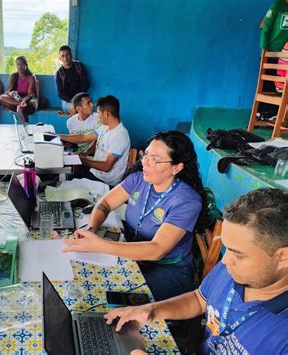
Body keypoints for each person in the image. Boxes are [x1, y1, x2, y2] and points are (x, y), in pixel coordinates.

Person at [104, 188, 288, 354]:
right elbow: (199, 299)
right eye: (226, 248)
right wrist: (152, 310)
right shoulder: (234, 270)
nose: (224, 260)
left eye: (238, 254)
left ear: (283, 257)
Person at [63, 131, 205, 301]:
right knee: (87, 278)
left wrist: (99, 245)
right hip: (134, 257)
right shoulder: (139, 180)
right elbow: (105, 204)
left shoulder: (186, 201)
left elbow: (157, 250)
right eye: (146, 155)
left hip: (167, 270)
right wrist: (92, 228)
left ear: (177, 167)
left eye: (155, 160)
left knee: (107, 296)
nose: (146, 163)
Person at [59, 95, 130, 186]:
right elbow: (84, 137)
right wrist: (58, 136)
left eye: (99, 114)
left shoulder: (119, 135)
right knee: (64, 179)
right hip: (95, 173)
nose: (98, 117)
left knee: (66, 184)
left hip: (105, 180)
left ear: (106, 114)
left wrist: (81, 160)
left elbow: (106, 166)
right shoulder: (105, 127)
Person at [258, 0, 288, 120]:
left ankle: (275, 115)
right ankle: (262, 113)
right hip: (271, 52)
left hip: (285, 57)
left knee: (281, 87)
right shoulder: (278, 5)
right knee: (267, 85)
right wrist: (263, 51)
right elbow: (265, 28)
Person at [0, 56, 38, 122]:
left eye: (22, 64)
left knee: (21, 108)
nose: (20, 67)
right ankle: (20, 105)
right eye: (18, 64)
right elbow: (8, 91)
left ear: (26, 65)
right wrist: (11, 93)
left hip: (28, 100)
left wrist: (23, 101)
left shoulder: (31, 77)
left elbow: (30, 94)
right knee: (1, 97)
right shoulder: (13, 76)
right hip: (17, 100)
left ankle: (26, 128)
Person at [55, 45, 89, 115]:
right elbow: (60, 93)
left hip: (81, 98)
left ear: (71, 55)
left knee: (87, 107)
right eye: (63, 56)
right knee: (74, 108)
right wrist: (72, 100)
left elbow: (86, 84)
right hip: (67, 101)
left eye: (68, 55)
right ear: (60, 58)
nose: (65, 58)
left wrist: (79, 98)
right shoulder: (59, 73)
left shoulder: (79, 66)